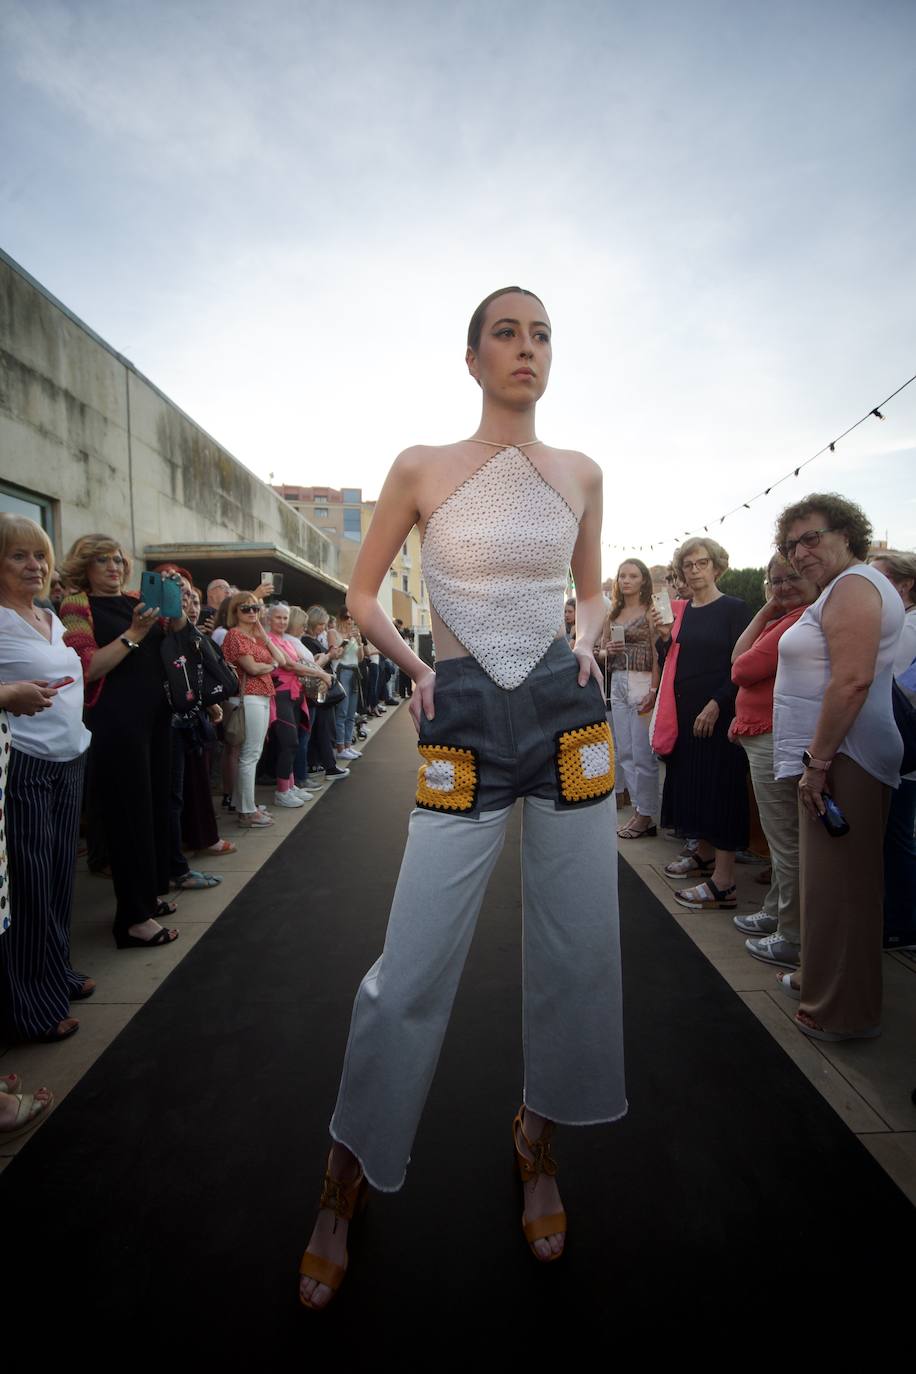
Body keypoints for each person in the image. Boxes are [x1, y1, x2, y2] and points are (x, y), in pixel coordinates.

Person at [298, 286, 626, 1310]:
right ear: (473, 357)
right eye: (506, 333)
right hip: (467, 716)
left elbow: (593, 583)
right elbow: (360, 594)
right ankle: (342, 1176)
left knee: (580, 947)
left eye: (541, 336)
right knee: (411, 964)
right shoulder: (420, 467)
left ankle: (539, 1142)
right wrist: (409, 663)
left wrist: (589, 626)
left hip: (568, 717)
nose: (527, 349)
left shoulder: (580, 471)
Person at [772, 494, 904, 1040]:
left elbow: (851, 681)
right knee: (830, 887)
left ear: (847, 534)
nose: (800, 553)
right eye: (790, 543)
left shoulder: (854, 586)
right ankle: (825, 987)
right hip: (838, 756)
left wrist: (818, 763)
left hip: (845, 758)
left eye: (812, 538)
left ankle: (840, 1014)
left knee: (842, 891)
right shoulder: (844, 588)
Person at [60, 535, 180, 949]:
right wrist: (134, 633)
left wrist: (174, 606)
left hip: (155, 719)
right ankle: (131, 920)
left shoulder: (136, 599)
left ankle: (146, 898)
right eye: (102, 561)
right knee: (129, 818)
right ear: (84, 567)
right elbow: (86, 668)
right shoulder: (77, 605)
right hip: (116, 723)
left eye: (117, 560)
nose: (113, 567)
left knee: (153, 810)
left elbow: (174, 637)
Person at [0, 516, 94, 1040]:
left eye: (39, 556)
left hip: (67, 760)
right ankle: (31, 1008)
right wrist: (9, 695)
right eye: (18, 556)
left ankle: (55, 975)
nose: (34, 566)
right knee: (32, 884)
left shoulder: (49, 616)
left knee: (59, 877)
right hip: (25, 764)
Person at [649, 537, 751, 910]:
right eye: (688, 565)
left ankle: (724, 883)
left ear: (717, 566)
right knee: (694, 785)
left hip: (720, 712)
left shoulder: (735, 609)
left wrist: (716, 704)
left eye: (701, 563)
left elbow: (740, 666)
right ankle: (703, 856)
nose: (694, 571)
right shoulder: (681, 610)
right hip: (684, 711)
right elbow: (672, 659)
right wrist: (663, 640)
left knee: (721, 789)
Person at [729, 556, 817, 966]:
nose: (782, 587)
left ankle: (792, 936)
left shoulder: (800, 620)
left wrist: (770, 609)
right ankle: (777, 912)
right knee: (780, 836)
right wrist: (768, 607)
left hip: (773, 736)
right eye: (775, 581)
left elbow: (741, 666)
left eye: (792, 578)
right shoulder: (785, 617)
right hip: (762, 732)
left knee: (785, 840)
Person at [868, 550, 916, 949]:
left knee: (896, 836)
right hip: (896, 747)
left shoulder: (907, 629)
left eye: (878, 581)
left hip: (904, 749)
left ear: (903, 586)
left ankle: (900, 923)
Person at [598, 559, 660, 838]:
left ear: (643, 580)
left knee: (642, 753)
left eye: (633, 576)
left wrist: (654, 689)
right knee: (623, 751)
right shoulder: (613, 613)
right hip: (618, 681)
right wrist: (607, 650)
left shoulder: (651, 610)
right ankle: (639, 811)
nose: (626, 580)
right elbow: (599, 651)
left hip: (642, 680)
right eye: (622, 575)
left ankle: (646, 814)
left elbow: (659, 652)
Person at [221, 591, 292, 827]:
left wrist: (263, 634)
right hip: (248, 696)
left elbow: (281, 660)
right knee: (250, 754)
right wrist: (268, 664)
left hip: (261, 696)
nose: (252, 612)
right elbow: (251, 668)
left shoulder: (255, 637)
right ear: (235, 612)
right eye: (246, 608)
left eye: (255, 608)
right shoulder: (234, 635)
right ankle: (247, 811)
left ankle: (246, 806)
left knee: (252, 753)